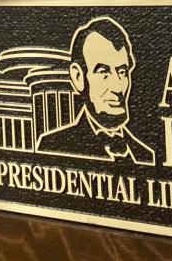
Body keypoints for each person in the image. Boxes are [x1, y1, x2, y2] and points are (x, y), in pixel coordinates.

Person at [35, 17, 155, 165]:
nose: (118, 87)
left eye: (122, 72)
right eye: (103, 73)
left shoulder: (145, 155)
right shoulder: (53, 146)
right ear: (78, 77)